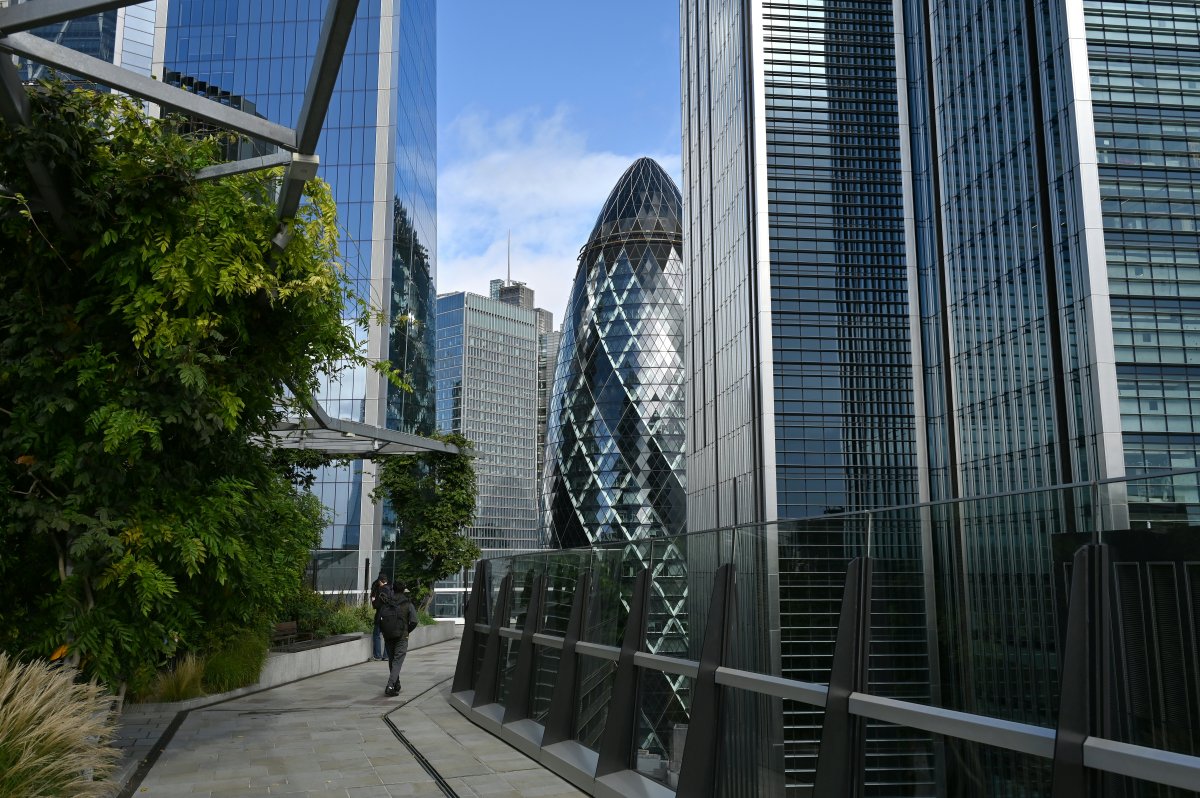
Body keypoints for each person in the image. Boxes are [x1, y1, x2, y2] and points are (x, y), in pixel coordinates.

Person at [376, 582, 418, 696]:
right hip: (401, 637)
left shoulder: (388, 602)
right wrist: (407, 630)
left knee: (392, 660)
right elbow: (414, 621)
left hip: (388, 635)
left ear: (393, 590)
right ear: (403, 590)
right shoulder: (407, 603)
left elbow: (380, 620)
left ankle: (396, 683)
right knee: (397, 661)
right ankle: (390, 686)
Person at [369, 573, 389, 661]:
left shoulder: (379, 590)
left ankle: (377, 655)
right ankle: (386, 655)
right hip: (390, 617)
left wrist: (373, 599)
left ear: (380, 581)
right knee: (387, 636)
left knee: (376, 635)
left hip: (380, 615)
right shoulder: (391, 589)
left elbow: (376, 605)